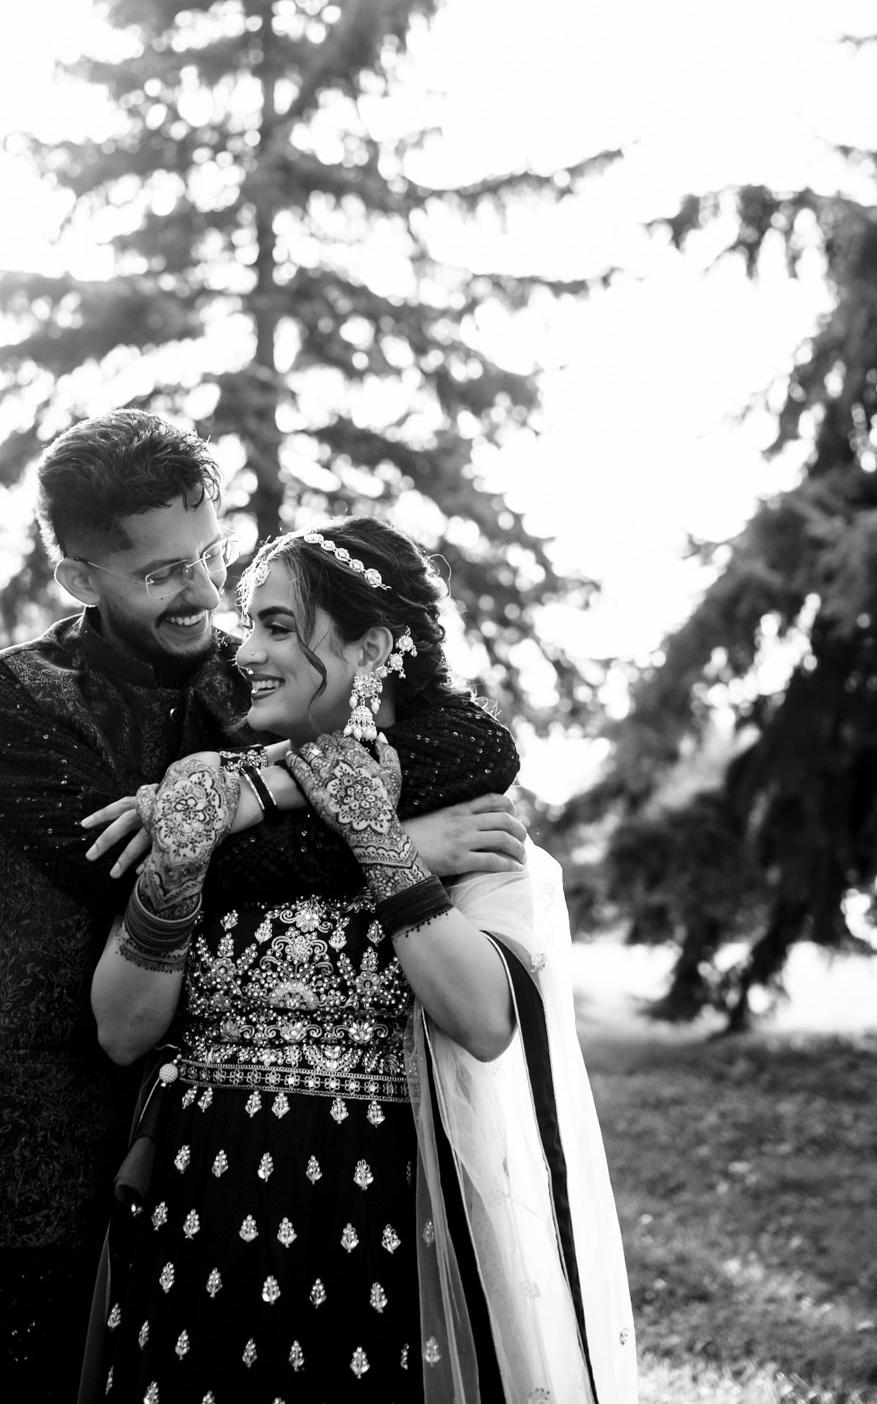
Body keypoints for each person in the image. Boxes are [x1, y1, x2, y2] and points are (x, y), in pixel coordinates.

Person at [0, 414, 531, 1403]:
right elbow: (137, 881)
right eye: (163, 572)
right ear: (83, 578)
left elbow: (466, 745)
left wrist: (261, 792)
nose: (204, 592)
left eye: (209, 553)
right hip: (56, 1133)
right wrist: (387, 843)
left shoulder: (246, 668)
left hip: (216, 1148)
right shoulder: (15, 699)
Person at [87, 517, 636, 1403]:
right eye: (250, 624)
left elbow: (486, 1019)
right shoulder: (212, 804)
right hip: (203, 1217)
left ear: (373, 645)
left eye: (275, 626)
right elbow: (120, 1030)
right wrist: (180, 864)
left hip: (374, 1222)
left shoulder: (469, 822)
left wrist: (382, 840)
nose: (245, 653)